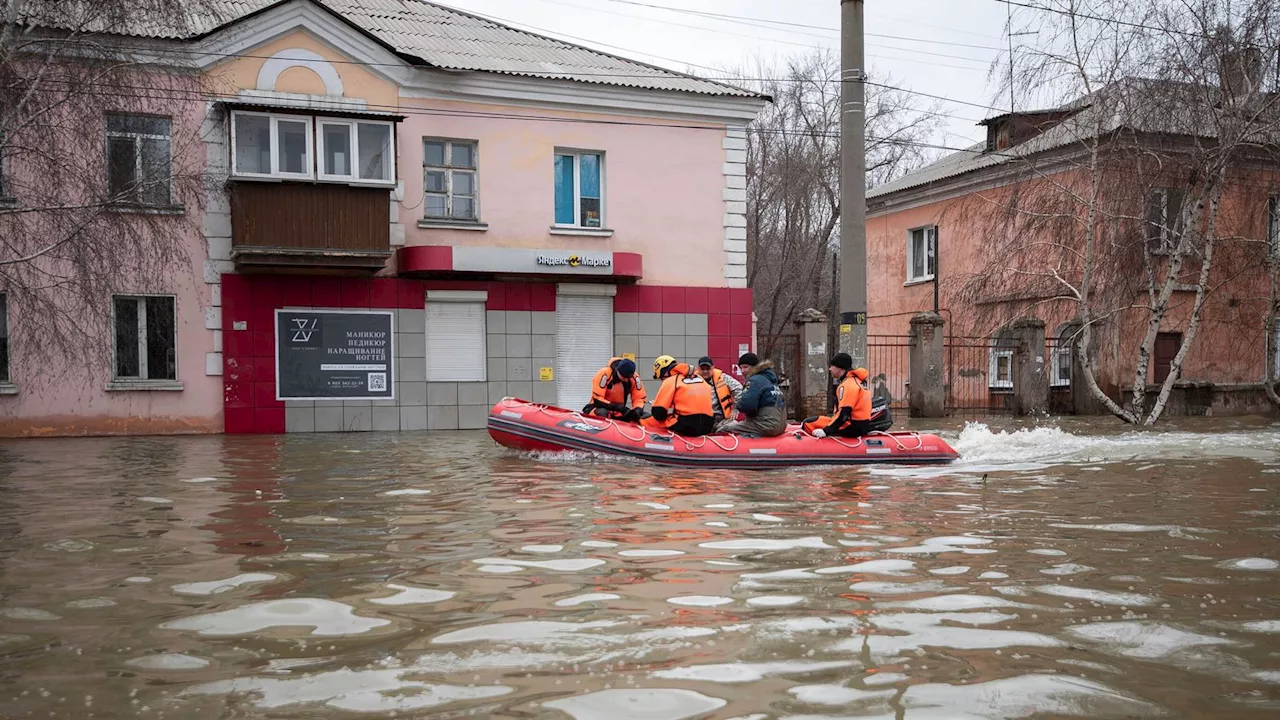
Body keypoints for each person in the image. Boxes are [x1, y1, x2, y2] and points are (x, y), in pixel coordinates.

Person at [801, 352, 872, 438]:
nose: (830, 369)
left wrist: (826, 431)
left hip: (852, 427)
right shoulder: (857, 381)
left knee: (808, 423)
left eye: (832, 366)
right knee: (816, 420)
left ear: (840, 368)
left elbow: (844, 414)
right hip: (860, 426)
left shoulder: (848, 385)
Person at [641, 355, 716, 436]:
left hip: (686, 424)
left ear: (665, 373)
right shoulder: (700, 379)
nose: (662, 380)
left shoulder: (671, 380)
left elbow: (659, 413)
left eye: (661, 378)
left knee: (647, 420)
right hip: (708, 425)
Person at [717, 352, 786, 437]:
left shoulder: (754, 381)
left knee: (723, 429)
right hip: (780, 426)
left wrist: (736, 406)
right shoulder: (770, 381)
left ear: (754, 367)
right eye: (741, 368)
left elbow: (746, 406)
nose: (743, 371)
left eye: (746, 367)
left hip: (765, 425)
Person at [582, 357, 646, 422]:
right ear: (617, 370)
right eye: (624, 377)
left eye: (628, 378)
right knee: (602, 412)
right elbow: (598, 400)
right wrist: (620, 408)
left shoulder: (634, 378)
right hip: (598, 408)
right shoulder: (605, 374)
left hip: (619, 412)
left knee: (644, 416)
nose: (626, 380)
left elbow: (639, 398)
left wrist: (637, 410)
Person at [694, 356, 742, 428]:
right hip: (700, 421)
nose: (705, 371)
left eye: (708, 369)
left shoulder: (723, 378)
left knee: (735, 425)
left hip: (721, 420)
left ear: (713, 367)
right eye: (702, 369)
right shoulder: (692, 381)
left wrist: (735, 409)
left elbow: (739, 390)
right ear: (698, 369)